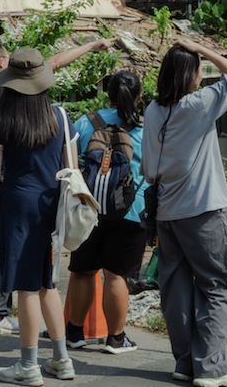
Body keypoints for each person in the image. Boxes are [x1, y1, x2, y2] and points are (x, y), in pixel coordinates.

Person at [0, 37, 115, 336]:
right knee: (37, 277)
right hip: (37, 197)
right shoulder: (54, 113)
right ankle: (3, 315)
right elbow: (71, 168)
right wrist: (91, 46)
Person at [140, 39, 227, 387]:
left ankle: (185, 363)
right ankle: (211, 368)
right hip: (203, 211)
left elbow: (147, 170)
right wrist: (199, 47)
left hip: (166, 213)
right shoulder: (199, 103)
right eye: (200, 69)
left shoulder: (153, 110)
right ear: (192, 75)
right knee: (218, 285)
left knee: (176, 288)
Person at [0, 48, 78, 385]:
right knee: (48, 282)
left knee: (26, 287)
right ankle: (62, 360)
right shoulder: (61, 117)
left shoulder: (0, 121)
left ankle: (29, 366)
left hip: (18, 206)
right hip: (53, 205)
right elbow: (72, 170)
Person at [65, 70, 147, 355]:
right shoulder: (145, 128)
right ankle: (116, 339)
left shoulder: (85, 123)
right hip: (131, 212)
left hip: (90, 210)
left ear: (107, 94)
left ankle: (74, 333)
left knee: (83, 272)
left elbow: (72, 167)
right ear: (138, 97)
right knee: (116, 276)